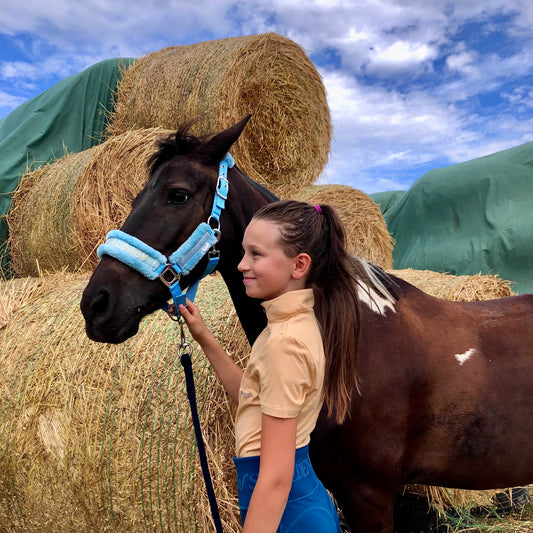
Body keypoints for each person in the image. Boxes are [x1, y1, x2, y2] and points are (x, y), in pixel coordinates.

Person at [178, 199, 369, 533]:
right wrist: (204, 336)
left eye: (256, 254)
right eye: (243, 253)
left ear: (299, 266)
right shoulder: (284, 326)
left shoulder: (285, 344)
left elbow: (277, 478)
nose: (241, 265)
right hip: (294, 503)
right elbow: (251, 396)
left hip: (287, 509)